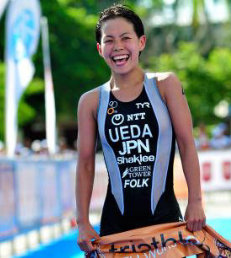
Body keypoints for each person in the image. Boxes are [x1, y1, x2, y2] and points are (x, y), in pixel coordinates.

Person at [75, 4, 206, 255]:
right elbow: (85, 163)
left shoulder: (165, 85)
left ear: (141, 42)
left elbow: (187, 145)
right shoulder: (91, 102)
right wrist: (82, 222)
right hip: (116, 227)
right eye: (109, 40)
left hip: (165, 221)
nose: (119, 47)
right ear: (100, 49)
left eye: (126, 38)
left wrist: (196, 202)